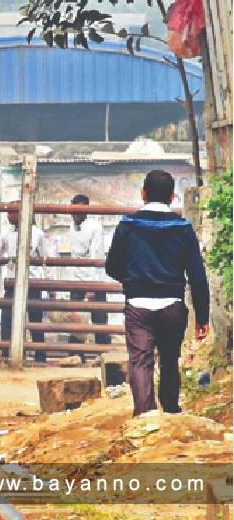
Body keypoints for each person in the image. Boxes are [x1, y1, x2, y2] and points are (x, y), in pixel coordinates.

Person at [105, 170, 210, 417]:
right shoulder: (183, 229)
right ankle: (171, 410)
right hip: (172, 306)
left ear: (143, 194)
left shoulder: (127, 226)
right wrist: (203, 318)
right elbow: (197, 276)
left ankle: (144, 415)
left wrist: (133, 281)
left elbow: (111, 267)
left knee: (140, 361)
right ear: (173, 197)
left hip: (138, 306)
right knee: (170, 360)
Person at [0, 201, 51, 362]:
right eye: (8, 212)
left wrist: (50, 284)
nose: (8, 216)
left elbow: (46, 260)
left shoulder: (37, 233)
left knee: (35, 320)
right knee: (7, 317)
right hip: (12, 283)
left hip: (33, 283)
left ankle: (40, 356)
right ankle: (6, 354)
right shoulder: (6, 234)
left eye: (11, 212)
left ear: (21, 213)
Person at [67, 194, 109, 358]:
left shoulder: (95, 227)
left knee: (99, 318)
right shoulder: (71, 226)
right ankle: (76, 355)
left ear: (87, 210)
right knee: (76, 319)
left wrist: (92, 285)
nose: (77, 213)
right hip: (76, 279)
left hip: (94, 279)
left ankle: (105, 355)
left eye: (81, 209)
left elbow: (95, 256)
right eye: (75, 209)